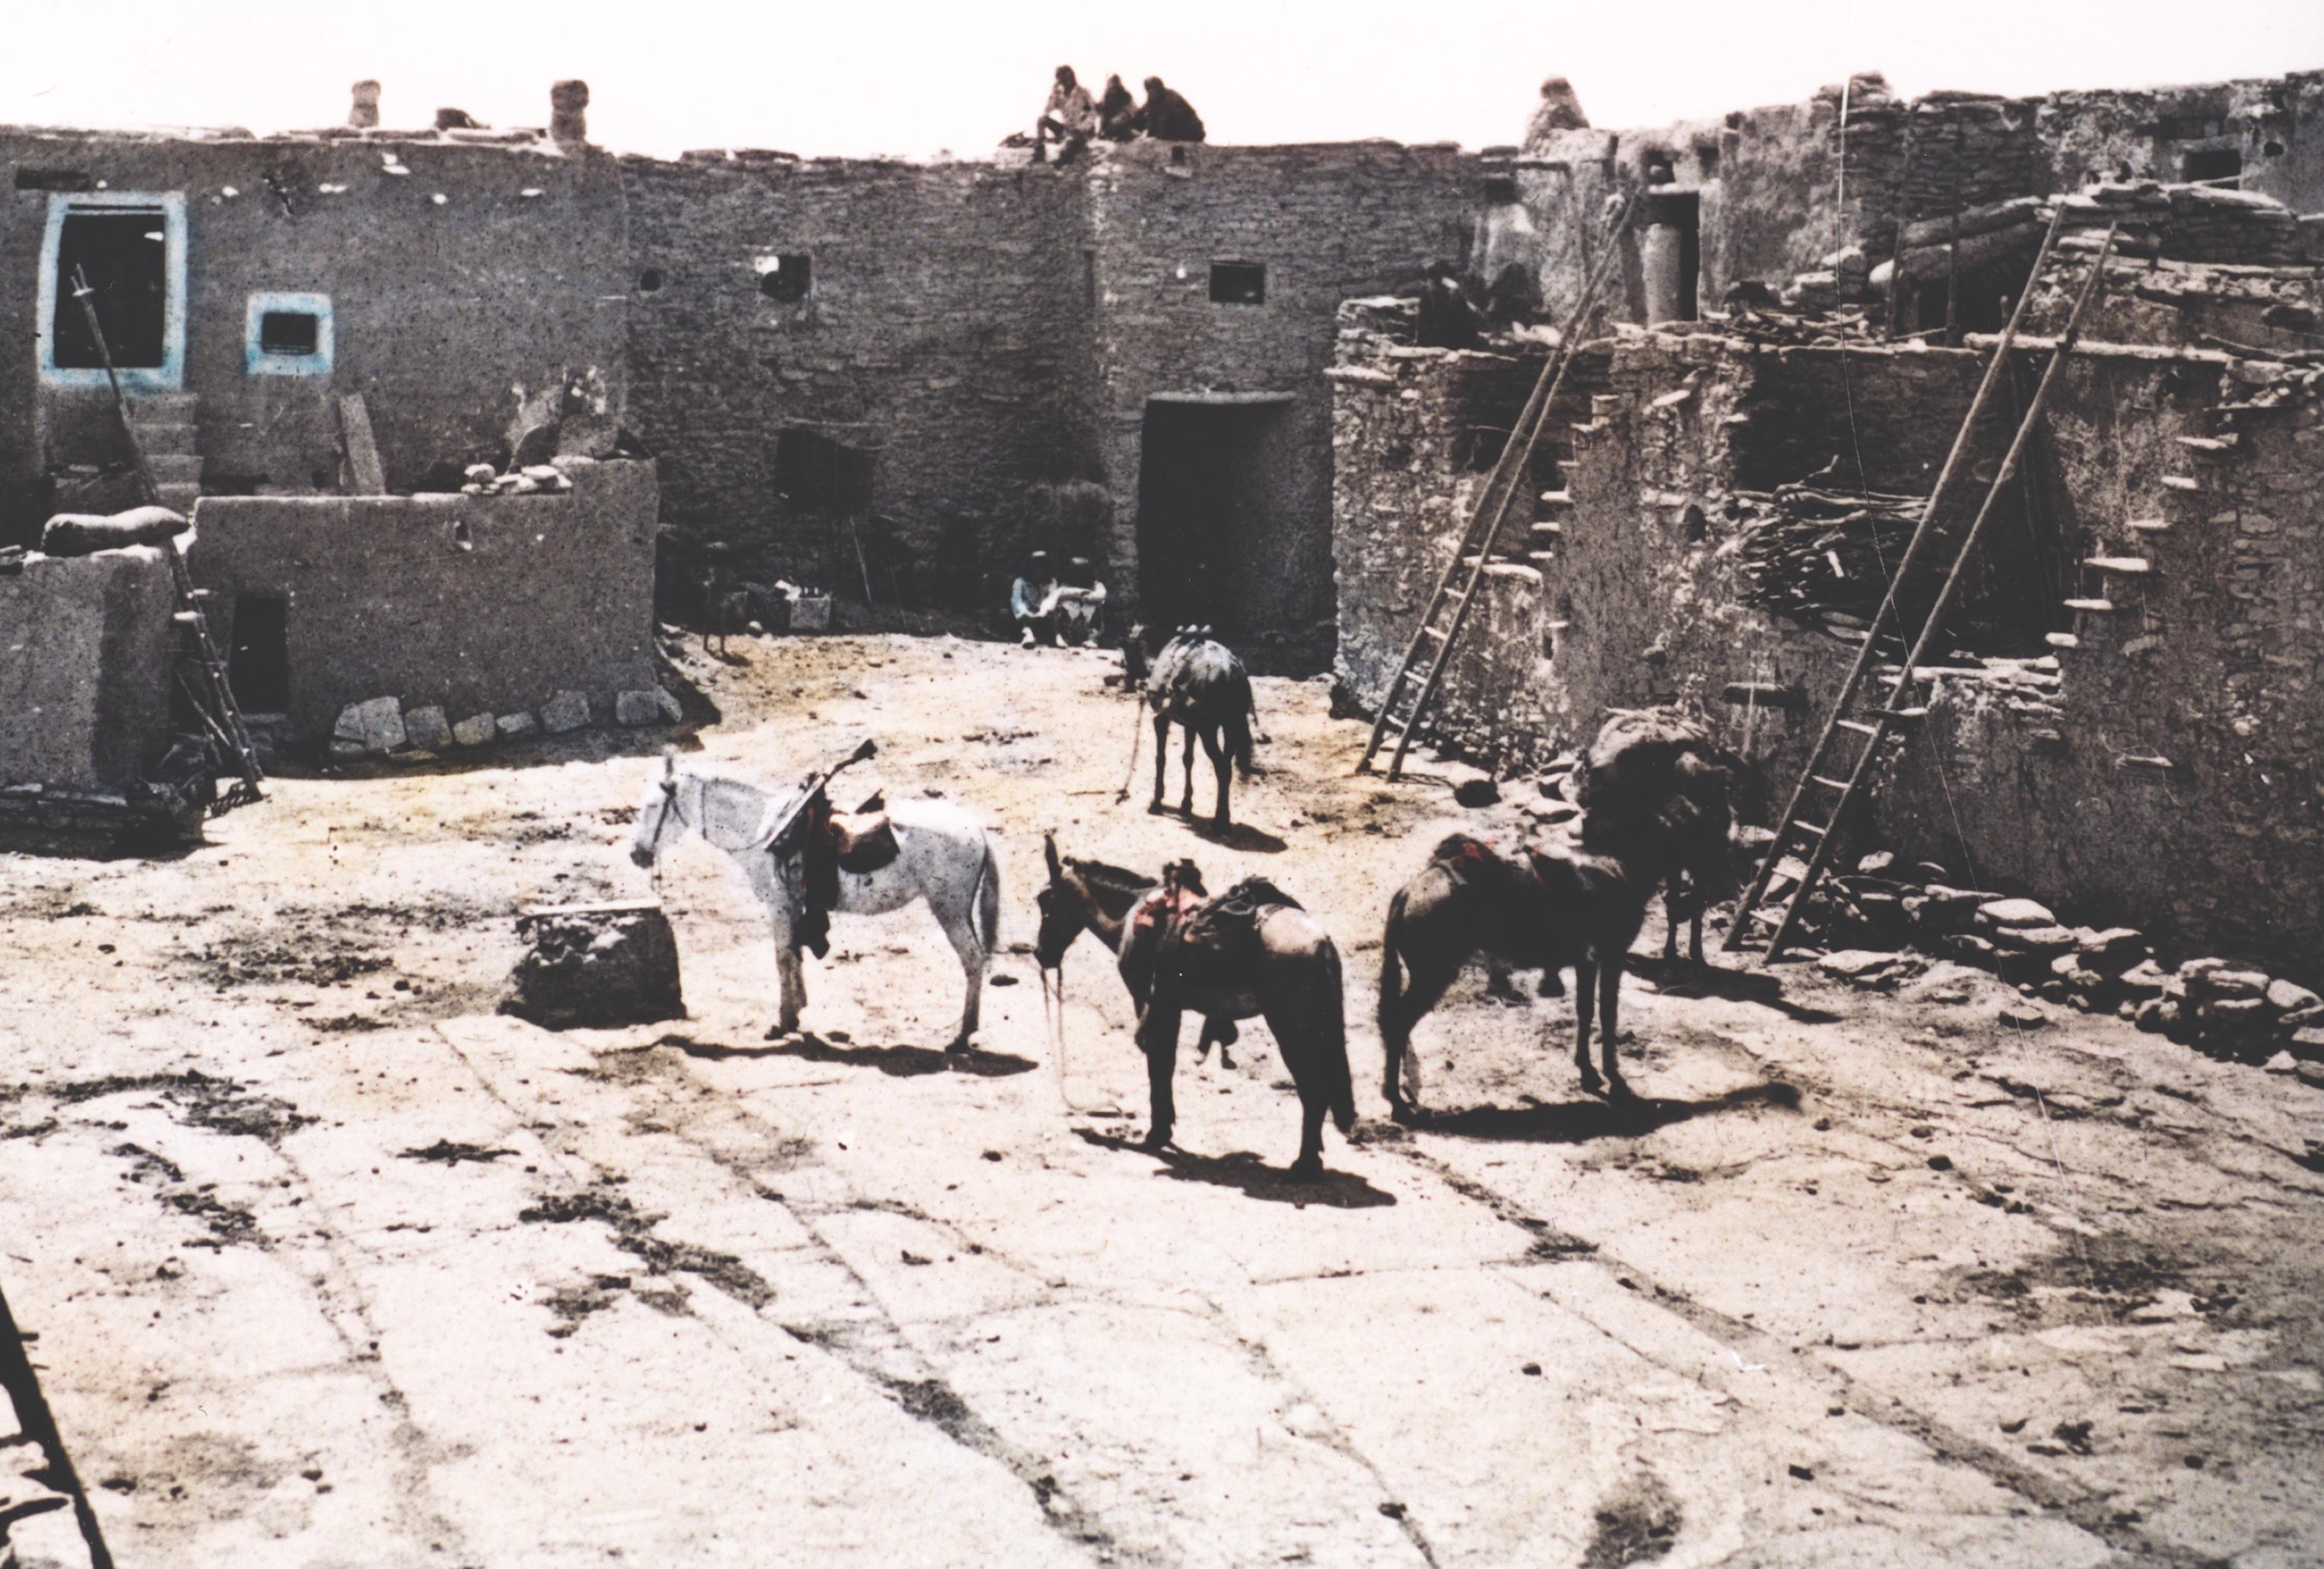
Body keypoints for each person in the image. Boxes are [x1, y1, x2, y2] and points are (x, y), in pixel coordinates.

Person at [1414, 260, 1484, 350]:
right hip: (1456, 338)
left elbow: (1422, 320)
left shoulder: (1430, 291)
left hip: (1438, 338)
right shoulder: (1453, 288)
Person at [1036, 66, 1097, 164]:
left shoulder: (1083, 93)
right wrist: (1054, 92)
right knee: (1042, 120)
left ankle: (1067, 156)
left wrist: (1082, 128)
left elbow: (1092, 114)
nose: (1064, 82)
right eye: (1060, 79)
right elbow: (1047, 110)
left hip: (1082, 131)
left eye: (1065, 78)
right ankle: (1039, 152)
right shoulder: (1060, 95)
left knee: (1069, 146)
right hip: (1067, 129)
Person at [1010, 550, 1060, 646]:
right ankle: (1028, 635)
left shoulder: (1051, 582)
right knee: (1023, 610)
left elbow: (1051, 598)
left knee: (1056, 608)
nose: (1038, 569)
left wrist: (1043, 612)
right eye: (1035, 566)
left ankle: (1056, 635)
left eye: (1042, 566)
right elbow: (1016, 600)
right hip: (1027, 615)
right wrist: (1026, 613)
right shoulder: (1020, 582)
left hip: (1044, 614)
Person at [1136, 76, 1205, 144]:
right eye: (1148, 89)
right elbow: (1143, 113)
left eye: (1153, 89)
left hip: (1191, 131)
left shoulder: (1172, 98)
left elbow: (1165, 119)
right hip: (1172, 129)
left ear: (1159, 88)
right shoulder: (1153, 99)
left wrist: (1155, 137)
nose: (1150, 92)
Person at [1097, 75, 1137, 141]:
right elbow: (1102, 114)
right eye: (1110, 87)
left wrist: (1121, 117)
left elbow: (1133, 112)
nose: (1112, 89)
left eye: (1114, 87)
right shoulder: (1106, 97)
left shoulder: (1125, 96)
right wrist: (1101, 129)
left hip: (1124, 124)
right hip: (1109, 125)